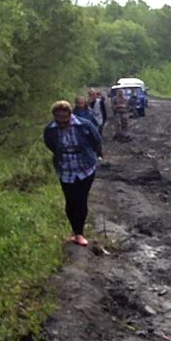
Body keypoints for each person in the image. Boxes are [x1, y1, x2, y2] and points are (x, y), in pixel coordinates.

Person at [43, 99, 102, 246]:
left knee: (81, 199)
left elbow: (96, 141)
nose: (62, 123)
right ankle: (74, 231)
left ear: (70, 114)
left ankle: (79, 233)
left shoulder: (84, 126)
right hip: (65, 169)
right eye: (59, 121)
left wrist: (94, 155)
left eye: (65, 120)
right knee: (70, 202)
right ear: (54, 116)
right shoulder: (50, 130)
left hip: (85, 168)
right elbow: (50, 145)